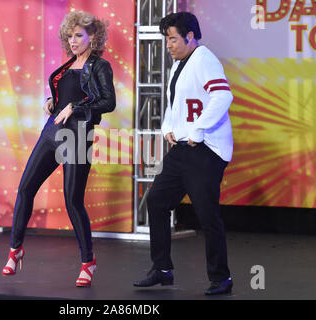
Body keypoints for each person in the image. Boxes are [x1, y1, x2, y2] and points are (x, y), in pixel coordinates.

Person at [2, 11, 116, 287]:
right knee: (26, 188)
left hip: (77, 138)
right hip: (51, 134)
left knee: (72, 201)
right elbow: (64, 95)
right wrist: (51, 102)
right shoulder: (67, 66)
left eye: (79, 35)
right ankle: (15, 250)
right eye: (70, 35)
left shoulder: (100, 66)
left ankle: (88, 261)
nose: (73, 40)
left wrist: (75, 108)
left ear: (94, 37)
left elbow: (108, 102)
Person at [133, 12, 234, 296]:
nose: (169, 45)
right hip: (182, 149)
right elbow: (176, 104)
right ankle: (162, 269)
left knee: (207, 215)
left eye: (173, 39)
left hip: (205, 150)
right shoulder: (179, 64)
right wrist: (168, 127)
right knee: (157, 201)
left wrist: (199, 130)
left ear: (190, 36)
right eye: (167, 40)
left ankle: (221, 278)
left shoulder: (204, 59)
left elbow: (223, 96)